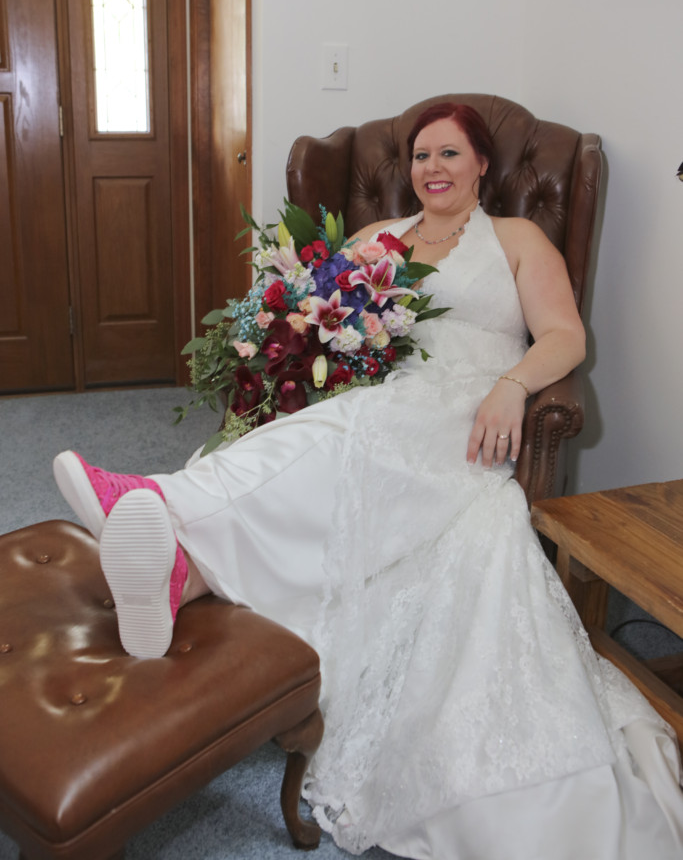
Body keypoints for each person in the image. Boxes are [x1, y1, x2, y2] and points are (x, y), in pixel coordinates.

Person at [53, 103, 683, 860]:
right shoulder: (372, 242)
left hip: (469, 414)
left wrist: (513, 386)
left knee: (342, 434)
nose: (432, 168)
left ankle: (163, 519)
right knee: (328, 429)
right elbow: (312, 319)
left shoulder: (517, 239)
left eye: (449, 153)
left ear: (482, 165)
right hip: (383, 400)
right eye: (420, 156)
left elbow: (564, 335)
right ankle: (175, 563)